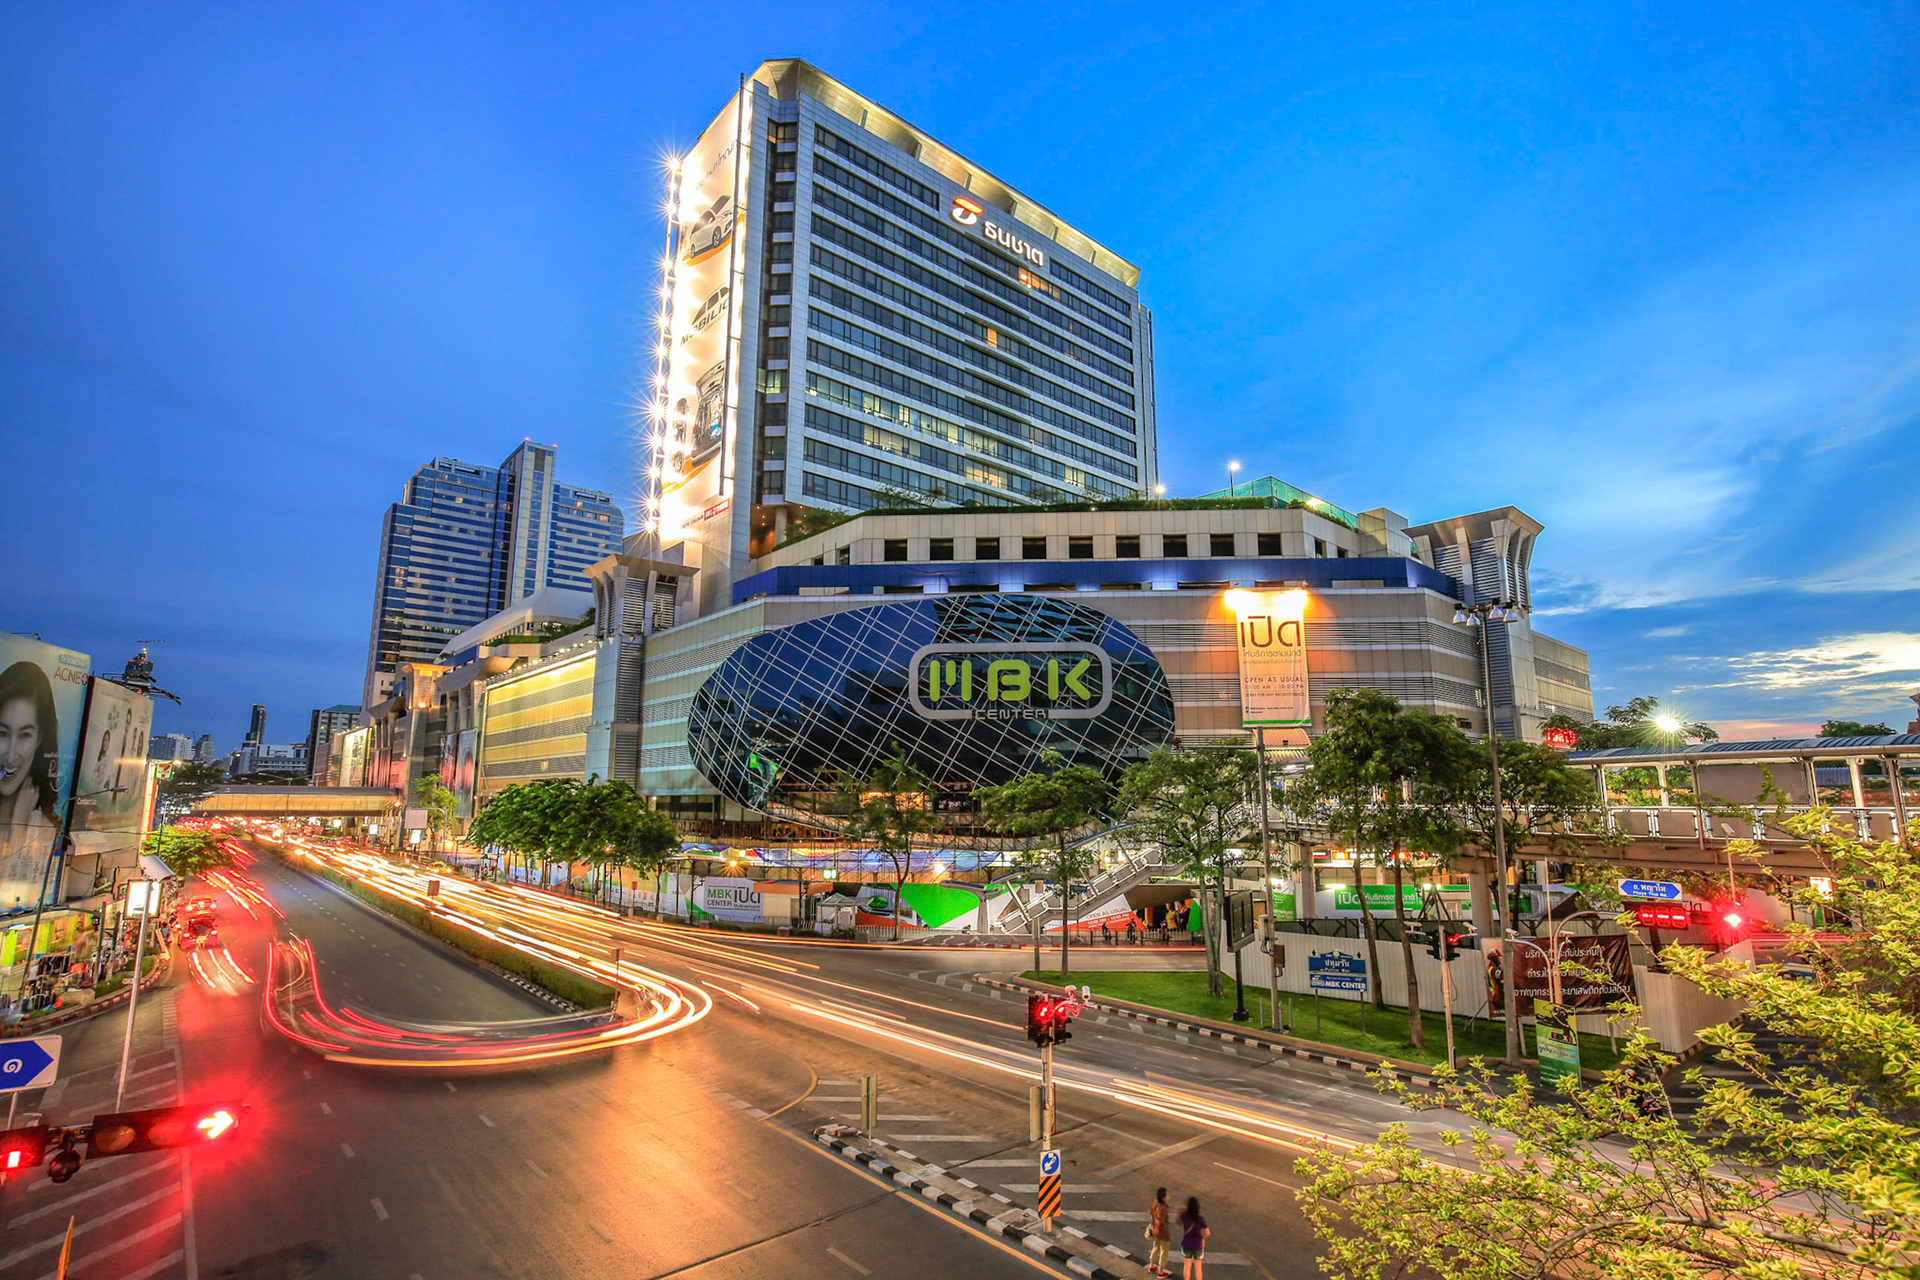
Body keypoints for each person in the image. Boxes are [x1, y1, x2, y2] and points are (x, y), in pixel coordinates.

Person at [0, 660, 62, 910]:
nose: (11, 755)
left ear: (39, 741)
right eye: (2, 734)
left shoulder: (46, 827)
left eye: (25, 735)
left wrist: (17, 825)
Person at [1177, 1195, 1209, 1280]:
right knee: (1198, 1268)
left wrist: (1180, 1212)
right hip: (1198, 1245)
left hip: (1186, 1243)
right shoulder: (1200, 1218)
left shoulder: (1184, 1216)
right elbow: (1207, 1233)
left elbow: (1178, 1223)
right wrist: (1202, 1239)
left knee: (1187, 1266)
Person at [1145, 1187, 1172, 1277]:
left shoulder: (1155, 1202)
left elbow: (1150, 1212)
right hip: (1162, 1233)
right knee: (1164, 1251)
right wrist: (1163, 1228)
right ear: (1163, 1197)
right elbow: (1160, 1221)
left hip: (1154, 1230)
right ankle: (1161, 1272)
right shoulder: (1162, 1208)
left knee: (1155, 1247)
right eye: (1167, 1195)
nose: (1169, 1196)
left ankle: (1151, 1266)